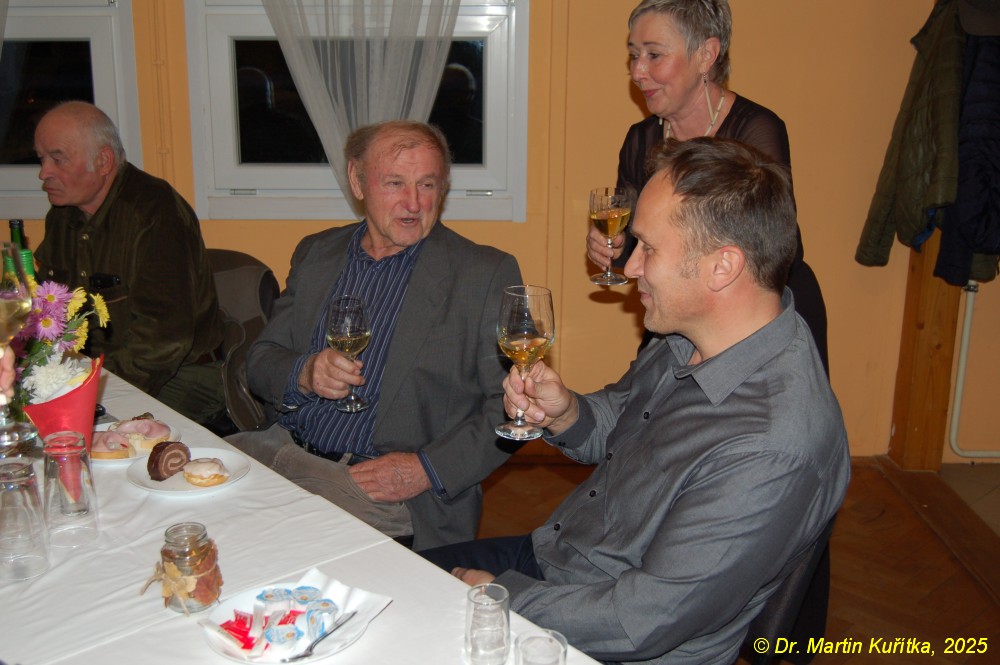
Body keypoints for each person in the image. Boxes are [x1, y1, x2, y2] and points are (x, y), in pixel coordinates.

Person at [422, 138, 851, 665]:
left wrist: (503, 600)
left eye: (648, 247)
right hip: (561, 560)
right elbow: (621, 421)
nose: (629, 268)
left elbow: (641, 620)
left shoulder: (771, 444)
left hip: (607, 638)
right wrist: (567, 412)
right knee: (385, 574)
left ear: (723, 267)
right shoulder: (694, 334)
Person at [228, 121, 522, 551]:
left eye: (427, 185)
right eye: (395, 183)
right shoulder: (317, 252)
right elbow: (261, 359)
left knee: (265, 557)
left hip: (373, 487)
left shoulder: (482, 274)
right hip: (277, 450)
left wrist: (425, 469)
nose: (414, 203)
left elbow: (512, 409)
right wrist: (304, 373)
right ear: (357, 180)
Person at [587, 0, 829, 374]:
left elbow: (776, 248)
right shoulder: (641, 139)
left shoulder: (755, 130)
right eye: (634, 55)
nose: (637, 71)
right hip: (680, 316)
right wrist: (613, 247)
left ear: (706, 55)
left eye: (654, 55)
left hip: (760, 321)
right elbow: (636, 252)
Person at [33, 101, 227, 427]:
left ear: (103, 161)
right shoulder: (62, 217)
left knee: (99, 437)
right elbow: (50, 312)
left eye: (57, 158)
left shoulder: (154, 212)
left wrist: (94, 392)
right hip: (99, 370)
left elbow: (163, 341)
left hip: (183, 374)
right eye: (41, 159)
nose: (44, 173)